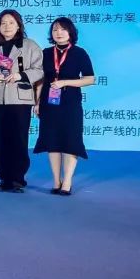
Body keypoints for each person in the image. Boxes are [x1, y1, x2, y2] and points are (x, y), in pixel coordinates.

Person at [33, 17, 95, 196]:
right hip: (49, 103)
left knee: (70, 141)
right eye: (55, 30)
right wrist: (37, 102)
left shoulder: (79, 53)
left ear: (70, 32)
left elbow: (90, 79)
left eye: (62, 29)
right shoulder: (45, 53)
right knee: (52, 141)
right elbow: (40, 80)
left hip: (70, 103)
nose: (58, 33)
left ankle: (67, 181)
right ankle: (56, 180)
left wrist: (65, 82)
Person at [0, 9, 44, 192]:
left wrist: (20, 75)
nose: (7, 26)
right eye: (3, 23)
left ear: (19, 25)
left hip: (20, 99)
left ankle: (18, 179)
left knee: (18, 139)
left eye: (11, 22)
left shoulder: (30, 45)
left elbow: (40, 70)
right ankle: (4, 178)